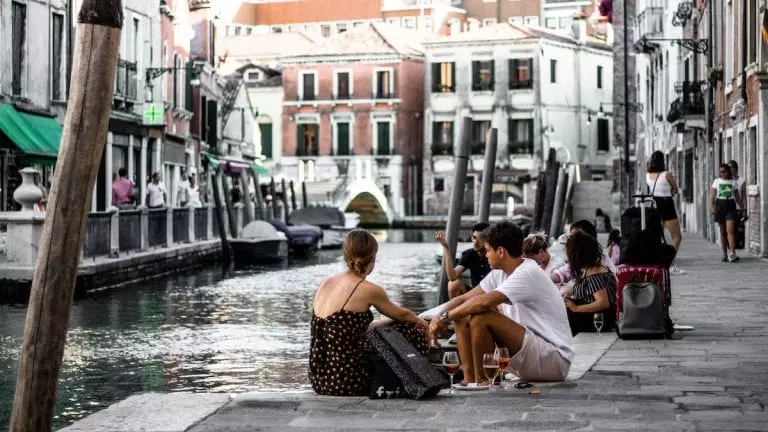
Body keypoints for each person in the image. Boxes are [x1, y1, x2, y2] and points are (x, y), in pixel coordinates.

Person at [429, 222, 573, 384]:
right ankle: (470, 379)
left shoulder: (527, 272)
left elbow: (484, 303)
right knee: (462, 311)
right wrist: (439, 316)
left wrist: (446, 318)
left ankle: (482, 382)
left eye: (488, 250)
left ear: (501, 252)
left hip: (554, 360)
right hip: (533, 353)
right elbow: (463, 299)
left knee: (481, 317)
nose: (485, 255)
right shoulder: (499, 273)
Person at [309, 229, 429, 396]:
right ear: (373, 258)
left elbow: (347, 331)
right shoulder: (368, 289)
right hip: (348, 381)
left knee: (388, 328)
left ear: (345, 255)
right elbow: (404, 315)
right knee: (411, 329)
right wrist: (425, 326)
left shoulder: (326, 283)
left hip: (320, 381)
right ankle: (413, 381)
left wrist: (389, 321)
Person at [562, 231, 617, 335]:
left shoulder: (593, 273)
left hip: (597, 321)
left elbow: (603, 302)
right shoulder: (594, 268)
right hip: (598, 318)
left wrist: (576, 308)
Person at [646, 151, 684, 274]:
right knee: (677, 236)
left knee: (657, 237)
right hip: (666, 205)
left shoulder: (648, 175)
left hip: (654, 205)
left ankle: (658, 262)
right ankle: (669, 262)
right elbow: (676, 189)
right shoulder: (667, 175)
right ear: (663, 161)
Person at [435, 222, 491, 299]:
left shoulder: (494, 254)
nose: (475, 243)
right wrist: (446, 249)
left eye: (480, 239)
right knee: (453, 284)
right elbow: (452, 276)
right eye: (474, 238)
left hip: (492, 294)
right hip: (475, 294)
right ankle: (455, 309)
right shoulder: (469, 254)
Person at [551, 220, 616, 285]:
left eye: (574, 238)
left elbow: (598, 289)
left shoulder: (599, 264)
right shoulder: (581, 259)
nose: (570, 242)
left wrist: (572, 290)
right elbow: (564, 273)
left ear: (587, 241)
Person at [710, 163, 741, 262]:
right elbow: (712, 196)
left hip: (730, 205)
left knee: (730, 230)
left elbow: (737, 197)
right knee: (723, 232)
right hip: (720, 205)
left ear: (728, 172)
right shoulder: (717, 181)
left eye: (724, 171)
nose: (722, 173)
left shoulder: (733, 182)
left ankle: (732, 253)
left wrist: (743, 209)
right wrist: (712, 207)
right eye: (720, 172)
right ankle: (724, 253)